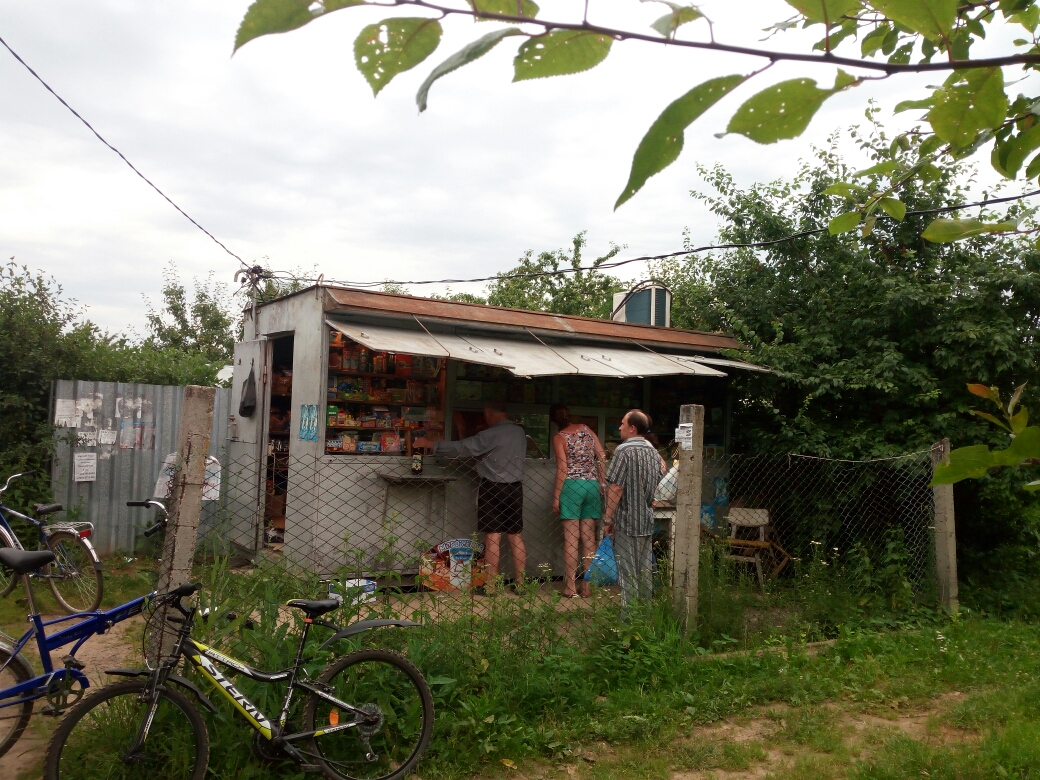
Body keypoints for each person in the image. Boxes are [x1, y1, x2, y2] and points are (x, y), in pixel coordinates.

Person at [413, 401, 527, 585]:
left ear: (490, 413)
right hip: (515, 488)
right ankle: (522, 584)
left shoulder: (490, 435)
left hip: (492, 487)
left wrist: (432, 444)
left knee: (493, 537)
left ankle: (490, 585)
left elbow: (463, 448)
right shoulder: (519, 432)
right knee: (516, 536)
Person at [603, 409, 666, 606]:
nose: (619, 427)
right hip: (645, 520)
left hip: (626, 520)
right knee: (644, 572)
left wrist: (607, 518)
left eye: (622, 423)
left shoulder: (623, 451)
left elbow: (616, 487)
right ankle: (646, 617)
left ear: (632, 428)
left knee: (628, 574)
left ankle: (629, 621)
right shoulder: (654, 453)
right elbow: (659, 478)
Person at [549, 403, 606, 598]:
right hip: (592, 485)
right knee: (589, 538)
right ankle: (588, 586)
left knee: (571, 539)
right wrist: (601, 481)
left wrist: (556, 496)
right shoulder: (586, 429)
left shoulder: (559, 438)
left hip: (571, 486)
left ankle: (570, 586)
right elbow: (601, 455)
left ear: (554, 421)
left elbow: (563, 468)